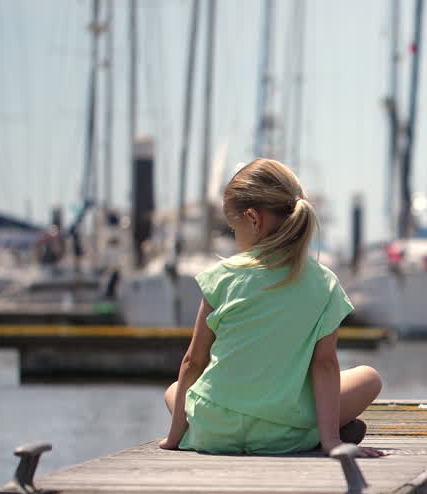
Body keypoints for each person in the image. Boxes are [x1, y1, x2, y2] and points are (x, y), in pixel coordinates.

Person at [160, 158, 383, 457]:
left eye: (232, 229)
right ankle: (324, 432)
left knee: (173, 390)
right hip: (284, 434)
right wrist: (331, 442)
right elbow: (325, 365)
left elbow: (192, 362)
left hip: (214, 432)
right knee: (369, 377)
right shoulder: (324, 283)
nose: (235, 238)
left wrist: (175, 437)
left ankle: (202, 425)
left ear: (253, 219)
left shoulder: (222, 276)